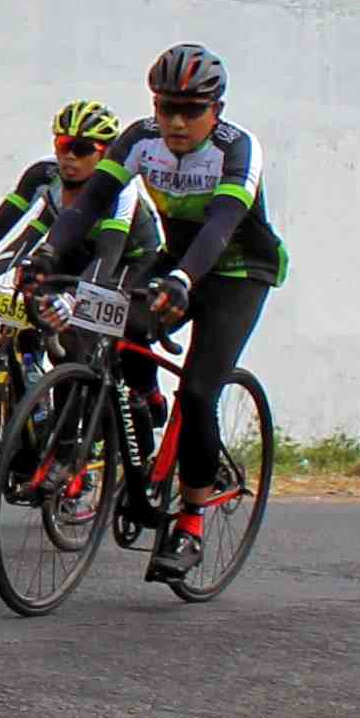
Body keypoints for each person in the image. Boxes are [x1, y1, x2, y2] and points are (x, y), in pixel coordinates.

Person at [116, 44, 285, 583]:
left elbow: (220, 225)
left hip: (238, 271)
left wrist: (183, 281)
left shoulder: (239, 149)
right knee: (118, 334)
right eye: (167, 108)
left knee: (198, 392)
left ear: (218, 110)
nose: (177, 121)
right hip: (178, 259)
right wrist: (48, 257)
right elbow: (94, 200)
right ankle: (145, 414)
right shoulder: (141, 139)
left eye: (192, 110)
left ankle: (190, 524)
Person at [0, 98, 156, 300]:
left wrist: (71, 301)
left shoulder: (122, 190)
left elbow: (106, 257)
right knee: (32, 304)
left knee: (81, 325)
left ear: (105, 153)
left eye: (82, 149)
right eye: (63, 145)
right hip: (78, 251)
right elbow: (3, 227)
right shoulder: (43, 175)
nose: (69, 156)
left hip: (129, 260)